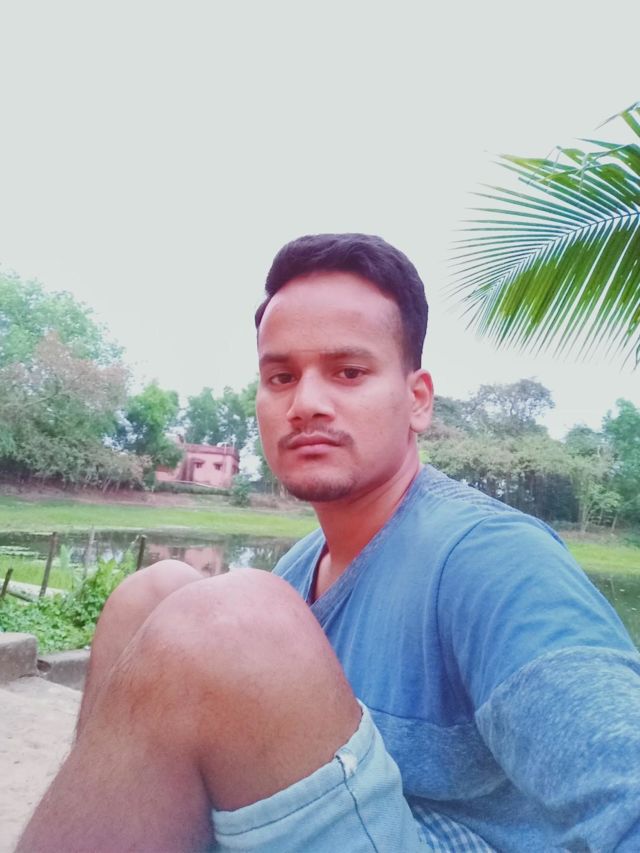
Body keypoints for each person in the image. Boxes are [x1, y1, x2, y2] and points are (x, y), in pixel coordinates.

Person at [18, 234, 640, 853]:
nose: (306, 404)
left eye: (348, 372)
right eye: (281, 376)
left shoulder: (492, 558)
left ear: (417, 400)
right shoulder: (298, 568)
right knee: (151, 595)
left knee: (228, 615)